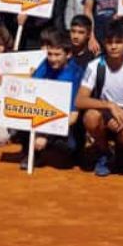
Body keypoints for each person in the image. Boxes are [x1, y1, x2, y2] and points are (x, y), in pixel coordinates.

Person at [76, 20, 123, 176]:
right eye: (109, 42)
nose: (113, 46)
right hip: (105, 111)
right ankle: (104, 152)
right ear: (104, 43)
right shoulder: (95, 65)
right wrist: (110, 106)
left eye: (118, 42)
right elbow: (80, 101)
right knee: (91, 117)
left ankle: (122, 150)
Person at [30, 28, 86, 169]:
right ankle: (33, 152)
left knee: (66, 151)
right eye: (50, 54)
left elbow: (73, 117)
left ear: (68, 54)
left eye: (57, 55)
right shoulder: (45, 64)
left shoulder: (75, 75)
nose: (52, 59)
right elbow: (32, 93)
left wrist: (46, 135)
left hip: (66, 123)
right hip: (45, 114)